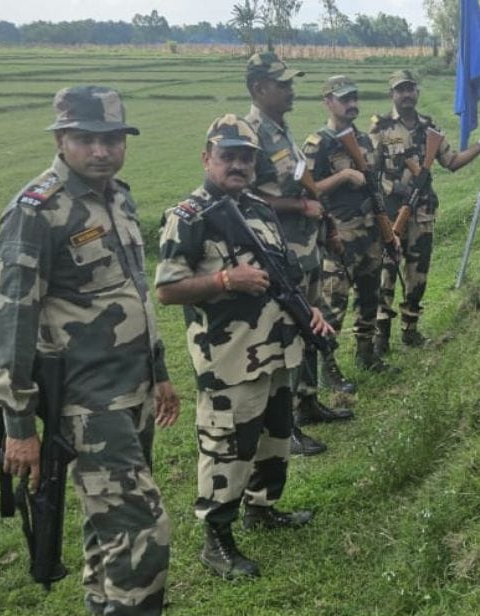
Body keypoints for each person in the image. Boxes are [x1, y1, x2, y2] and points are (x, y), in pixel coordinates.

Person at [0, 85, 207, 616]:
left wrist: (160, 370)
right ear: (61, 139)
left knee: (107, 524)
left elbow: (136, 291)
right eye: (88, 138)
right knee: (143, 528)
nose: (103, 150)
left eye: (113, 138)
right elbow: (11, 322)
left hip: (132, 388)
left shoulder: (118, 198)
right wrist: (19, 425)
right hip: (85, 400)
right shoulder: (38, 210)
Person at [156, 114, 332, 580]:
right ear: (207, 158)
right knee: (227, 449)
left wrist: (308, 311)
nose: (237, 165)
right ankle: (217, 540)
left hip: (275, 350)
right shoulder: (187, 217)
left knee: (275, 437)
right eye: (227, 156)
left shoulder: (258, 207)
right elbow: (167, 290)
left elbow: (281, 274)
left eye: (245, 157)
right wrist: (223, 279)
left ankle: (263, 508)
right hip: (229, 358)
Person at [243, 51, 354, 459]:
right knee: (287, 335)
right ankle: (286, 425)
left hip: (305, 248)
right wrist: (299, 209)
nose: (291, 90)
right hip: (277, 250)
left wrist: (322, 227)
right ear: (259, 88)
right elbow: (246, 197)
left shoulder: (282, 128)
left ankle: (308, 402)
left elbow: (300, 183)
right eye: (283, 84)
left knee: (310, 327)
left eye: (291, 83)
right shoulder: (251, 133)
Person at [368, 69, 480, 349]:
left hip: (423, 212)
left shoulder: (430, 129)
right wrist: (394, 189)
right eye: (400, 90)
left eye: (410, 89)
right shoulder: (381, 129)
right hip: (391, 215)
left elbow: (451, 161)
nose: (406, 94)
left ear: (417, 92)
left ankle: (410, 329)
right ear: (392, 94)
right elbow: (370, 171)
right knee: (387, 272)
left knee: (418, 274)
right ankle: (380, 334)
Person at [303, 75, 390, 381]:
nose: (352, 104)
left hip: (369, 231)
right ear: (328, 102)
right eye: (344, 99)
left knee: (370, 296)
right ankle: (328, 367)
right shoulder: (318, 144)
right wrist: (342, 177)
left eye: (354, 97)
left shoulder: (364, 139)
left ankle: (366, 352)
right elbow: (307, 189)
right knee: (333, 303)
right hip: (339, 234)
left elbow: (374, 183)